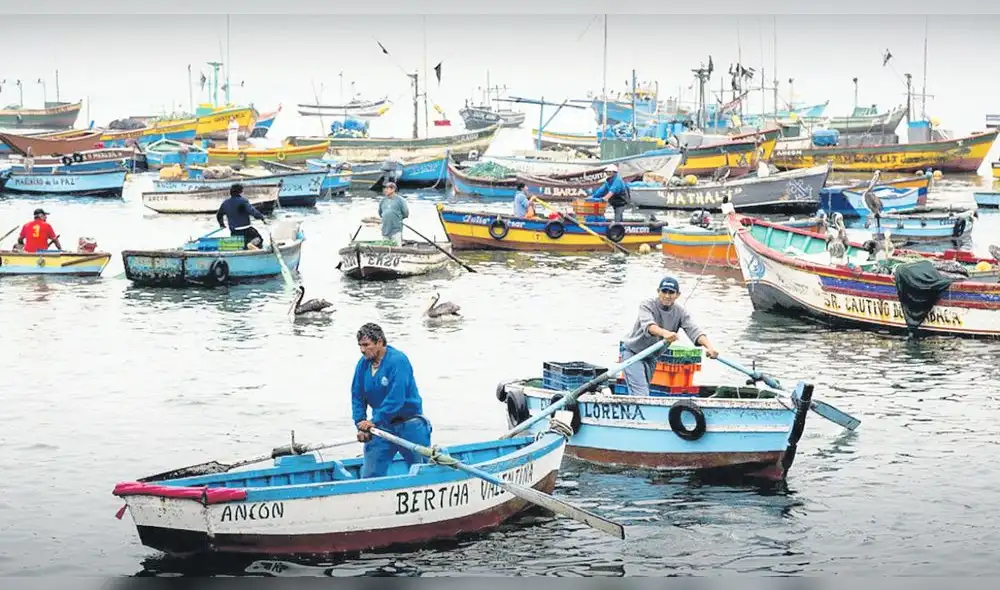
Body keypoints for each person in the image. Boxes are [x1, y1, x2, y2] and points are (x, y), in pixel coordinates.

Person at [351, 323, 432, 479]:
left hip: (409, 425)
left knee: (422, 472)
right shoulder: (363, 364)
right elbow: (357, 395)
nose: (362, 350)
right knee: (370, 475)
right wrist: (361, 422)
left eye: (366, 345)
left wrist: (374, 421)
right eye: (360, 345)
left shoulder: (398, 361)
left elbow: (396, 399)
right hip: (381, 428)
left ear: (380, 342)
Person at [620, 276, 719, 396]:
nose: (667, 296)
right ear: (658, 291)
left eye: (671, 292)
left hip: (651, 357)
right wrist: (665, 333)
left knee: (644, 391)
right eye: (664, 291)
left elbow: (694, 331)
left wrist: (710, 347)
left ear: (677, 295)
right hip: (633, 353)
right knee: (640, 393)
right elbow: (649, 326)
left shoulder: (680, 312)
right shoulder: (646, 305)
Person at [216, 183, 266, 249]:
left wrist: (222, 224)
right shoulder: (243, 201)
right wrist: (262, 217)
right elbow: (252, 211)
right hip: (246, 230)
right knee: (259, 239)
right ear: (240, 192)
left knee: (240, 246)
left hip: (234, 231)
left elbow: (219, 215)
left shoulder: (225, 203)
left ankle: (246, 246)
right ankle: (251, 244)